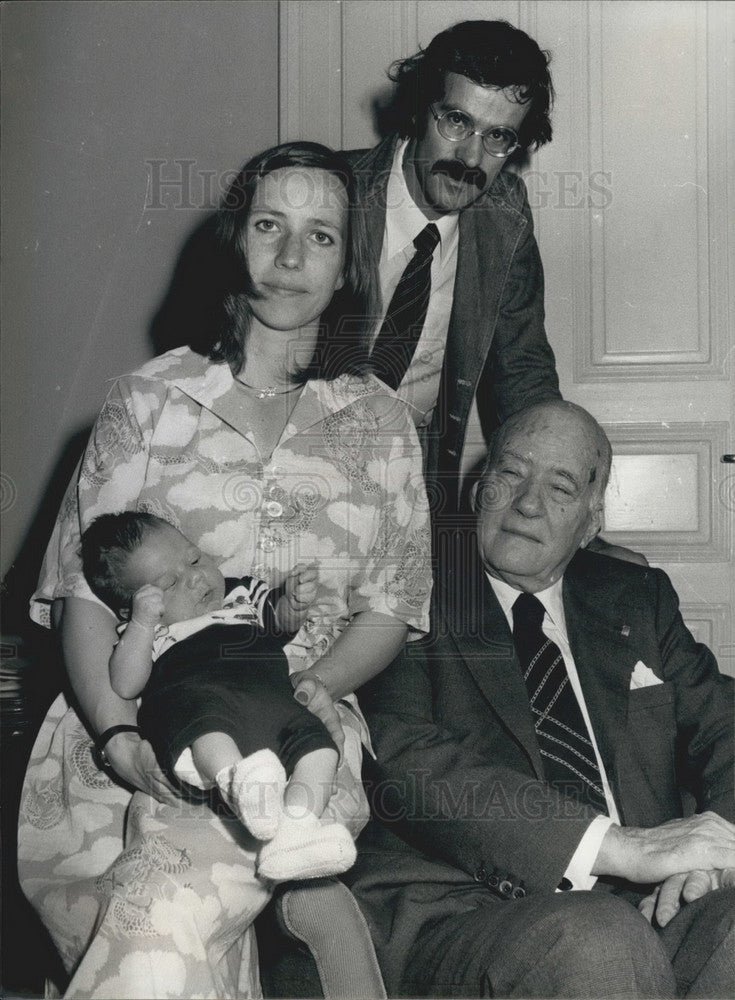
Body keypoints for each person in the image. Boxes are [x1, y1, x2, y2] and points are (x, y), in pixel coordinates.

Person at [18, 141, 431, 998]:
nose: (288, 258)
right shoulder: (147, 402)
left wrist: (313, 682)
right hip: (118, 744)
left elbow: (392, 605)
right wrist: (119, 735)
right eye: (268, 226)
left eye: (320, 236)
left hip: (288, 742)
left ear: (348, 264)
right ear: (232, 240)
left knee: (160, 932)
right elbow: (80, 601)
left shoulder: (379, 420)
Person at [346, 400, 735, 998]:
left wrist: (711, 856)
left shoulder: (636, 598)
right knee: (599, 939)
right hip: (464, 914)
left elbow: (726, 727)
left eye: (560, 488)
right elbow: (410, 761)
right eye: (510, 474)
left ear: (590, 520)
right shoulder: (406, 594)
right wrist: (618, 849)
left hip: (651, 903)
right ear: (479, 489)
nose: (527, 503)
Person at [343, 19, 562, 515]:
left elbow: (523, 375)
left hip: (413, 493)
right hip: (294, 464)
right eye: (457, 122)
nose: (470, 157)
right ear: (421, 110)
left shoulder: (504, 218)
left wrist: (557, 502)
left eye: (499, 137)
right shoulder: (332, 189)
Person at [81, 511, 354, 882]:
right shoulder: (147, 631)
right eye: (171, 583)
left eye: (194, 558)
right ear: (138, 606)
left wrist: (293, 604)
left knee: (320, 749)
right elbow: (126, 684)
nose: (195, 577)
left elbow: (278, 625)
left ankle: (296, 831)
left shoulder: (240, 592)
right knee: (207, 728)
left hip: (271, 698)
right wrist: (143, 624)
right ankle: (239, 782)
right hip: (199, 702)